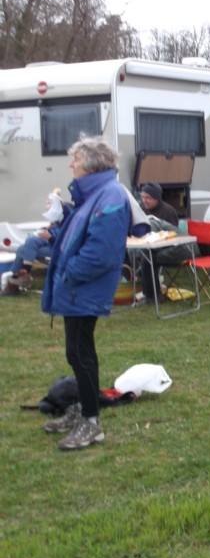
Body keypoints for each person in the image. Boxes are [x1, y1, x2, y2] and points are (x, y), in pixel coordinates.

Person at [40, 138, 133, 451]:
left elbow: (102, 252)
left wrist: (69, 272)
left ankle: (91, 424)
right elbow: (79, 233)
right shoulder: (93, 195)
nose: (71, 164)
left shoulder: (110, 195)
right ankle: (82, 409)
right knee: (76, 353)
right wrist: (61, 217)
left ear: (93, 163)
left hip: (84, 289)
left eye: (76, 159)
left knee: (81, 354)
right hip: (76, 289)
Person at [136, 182, 180, 305]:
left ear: (157, 198)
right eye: (142, 197)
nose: (144, 200)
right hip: (146, 244)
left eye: (148, 198)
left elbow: (173, 236)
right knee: (125, 252)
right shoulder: (142, 208)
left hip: (170, 247)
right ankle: (136, 283)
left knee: (148, 257)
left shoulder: (168, 212)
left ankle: (152, 296)